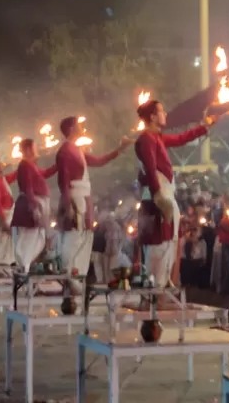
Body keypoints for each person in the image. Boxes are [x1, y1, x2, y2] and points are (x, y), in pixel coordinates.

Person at [42, 116, 130, 301]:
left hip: (82, 198)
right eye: (79, 125)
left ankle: (76, 278)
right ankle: (69, 274)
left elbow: (99, 161)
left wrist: (120, 149)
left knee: (84, 238)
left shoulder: (77, 150)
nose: (83, 127)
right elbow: (63, 180)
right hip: (76, 199)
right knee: (75, 237)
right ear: (73, 128)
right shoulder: (65, 151)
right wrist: (67, 205)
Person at [135, 98, 213, 288]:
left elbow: (181, 138)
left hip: (164, 199)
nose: (165, 114)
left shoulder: (157, 138)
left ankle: (161, 293)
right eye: (162, 111)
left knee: (169, 246)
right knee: (158, 247)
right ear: (153, 116)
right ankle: (154, 297)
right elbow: (151, 170)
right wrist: (160, 198)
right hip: (156, 201)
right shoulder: (146, 138)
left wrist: (203, 126)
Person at [10, 139, 54, 273]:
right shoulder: (24, 165)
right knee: (29, 239)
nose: (38, 150)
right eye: (35, 147)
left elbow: (45, 173)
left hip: (36, 203)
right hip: (30, 205)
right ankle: (24, 267)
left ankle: (26, 266)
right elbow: (28, 187)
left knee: (38, 238)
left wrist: (59, 164)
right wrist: (34, 207)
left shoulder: (31, 165)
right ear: (28, 149)